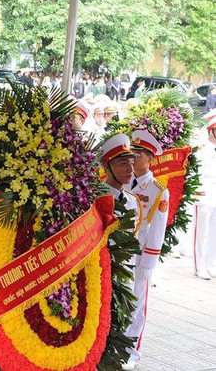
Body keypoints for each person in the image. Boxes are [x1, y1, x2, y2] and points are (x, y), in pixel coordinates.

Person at [122, 129, 169, 370]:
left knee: (136, 303)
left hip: (139, 257)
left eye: (139, 155)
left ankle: (131, 351)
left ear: (150, 159)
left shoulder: (157, 190)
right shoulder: (123, 182)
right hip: (119, 253)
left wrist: (147, 264)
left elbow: (157, 231)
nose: (133, 159)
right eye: (132, 154)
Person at [193, 113, 216, 278]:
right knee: (200, 232)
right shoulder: (201, 149)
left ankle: (211, 263)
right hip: (203, 193)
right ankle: (198, 265)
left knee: (214, 232)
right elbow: (196, 174)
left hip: (214, 193)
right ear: (211, 132)